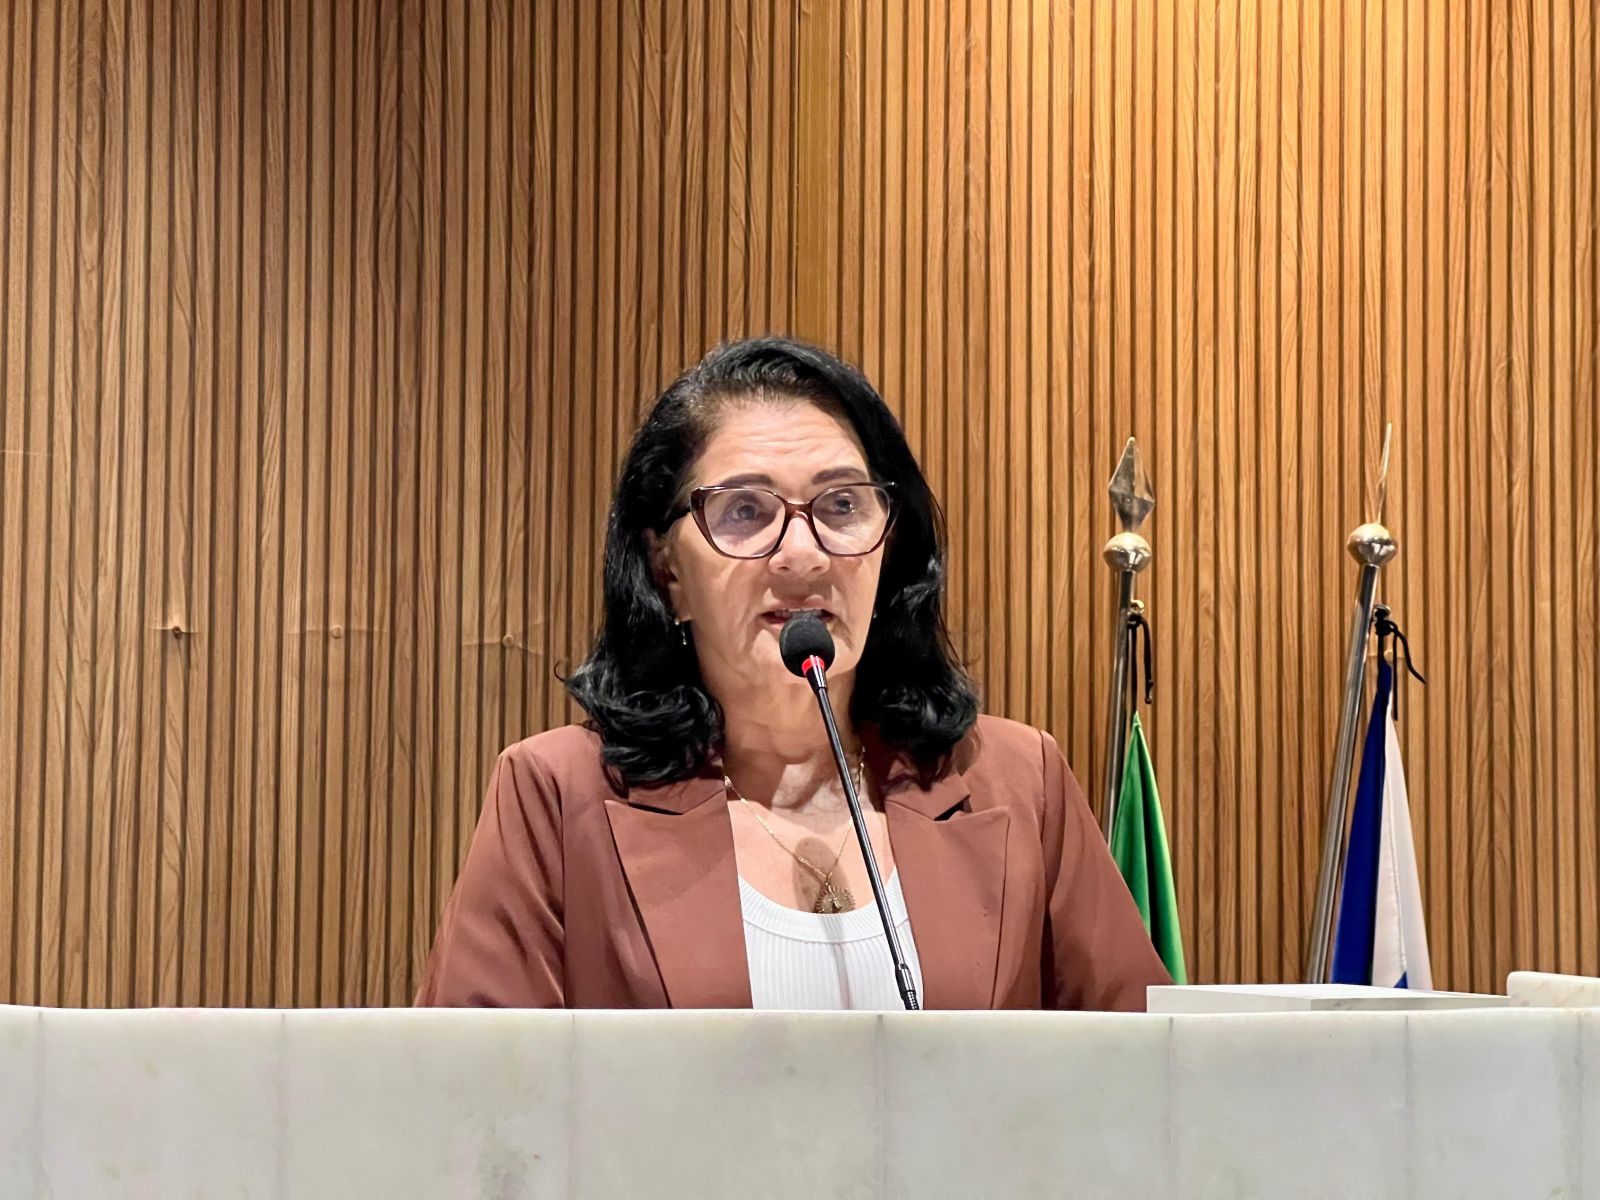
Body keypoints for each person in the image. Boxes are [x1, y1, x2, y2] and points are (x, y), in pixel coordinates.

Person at [416, 336, 1170, 1010]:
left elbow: (1153, 1076)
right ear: (667, 570)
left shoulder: (1018, 782)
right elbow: (470, 1101)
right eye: (746, 511)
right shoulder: (558, 797)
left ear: (889, 546)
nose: (803, 555)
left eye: (841, 505)